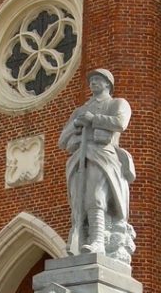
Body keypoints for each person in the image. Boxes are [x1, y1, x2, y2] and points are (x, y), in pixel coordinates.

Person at [58, 69, 136, 262]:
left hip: (103, 156)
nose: (93, 83)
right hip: (80, 157)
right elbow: (62, 140)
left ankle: (99, 241)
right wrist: (77, 124)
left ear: (107, 84)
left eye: (97, 80)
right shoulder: (80, 111)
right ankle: (81, 238)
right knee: (79, 201)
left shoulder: (116, 103)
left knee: (96, 197)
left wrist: (94, 120)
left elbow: (120, 123)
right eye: (91, 80)